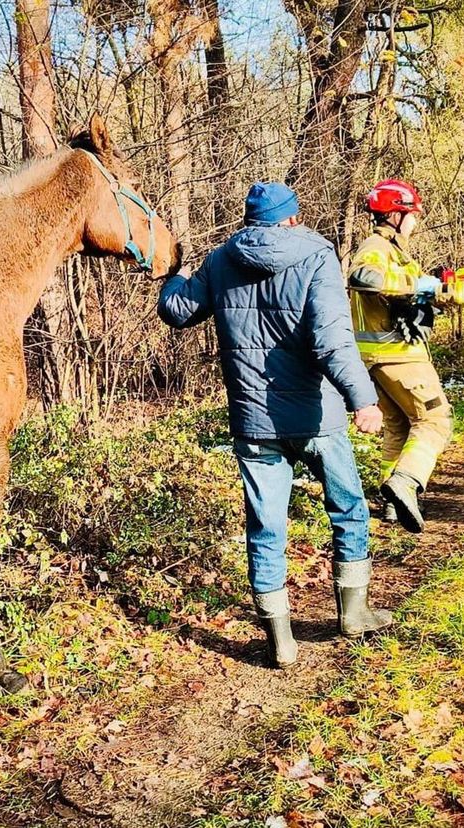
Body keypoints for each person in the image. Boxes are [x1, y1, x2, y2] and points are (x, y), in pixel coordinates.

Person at [157, 182, 392, 669]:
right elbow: (332, 340)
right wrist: (362, 399)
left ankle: (280, 640)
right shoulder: (316, 254)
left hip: (254, 420)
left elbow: (176, 311)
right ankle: (354, 613)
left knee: (265, 525)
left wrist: (172, 272)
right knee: (347, 507)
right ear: (290, 218)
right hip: (317, 416)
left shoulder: (221, 260)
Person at [347, 179, 454, 534]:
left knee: (399, 426)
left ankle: (392, 504)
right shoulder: (377, 247)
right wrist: (416, 286)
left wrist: (434, 291)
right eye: (411, 215)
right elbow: (364, 278)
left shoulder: (392, 250)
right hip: (398, 356)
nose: (415, 221)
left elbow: (394, 293)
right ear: (394, 215)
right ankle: (407, 481)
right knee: (436, 421)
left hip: (375, 358)